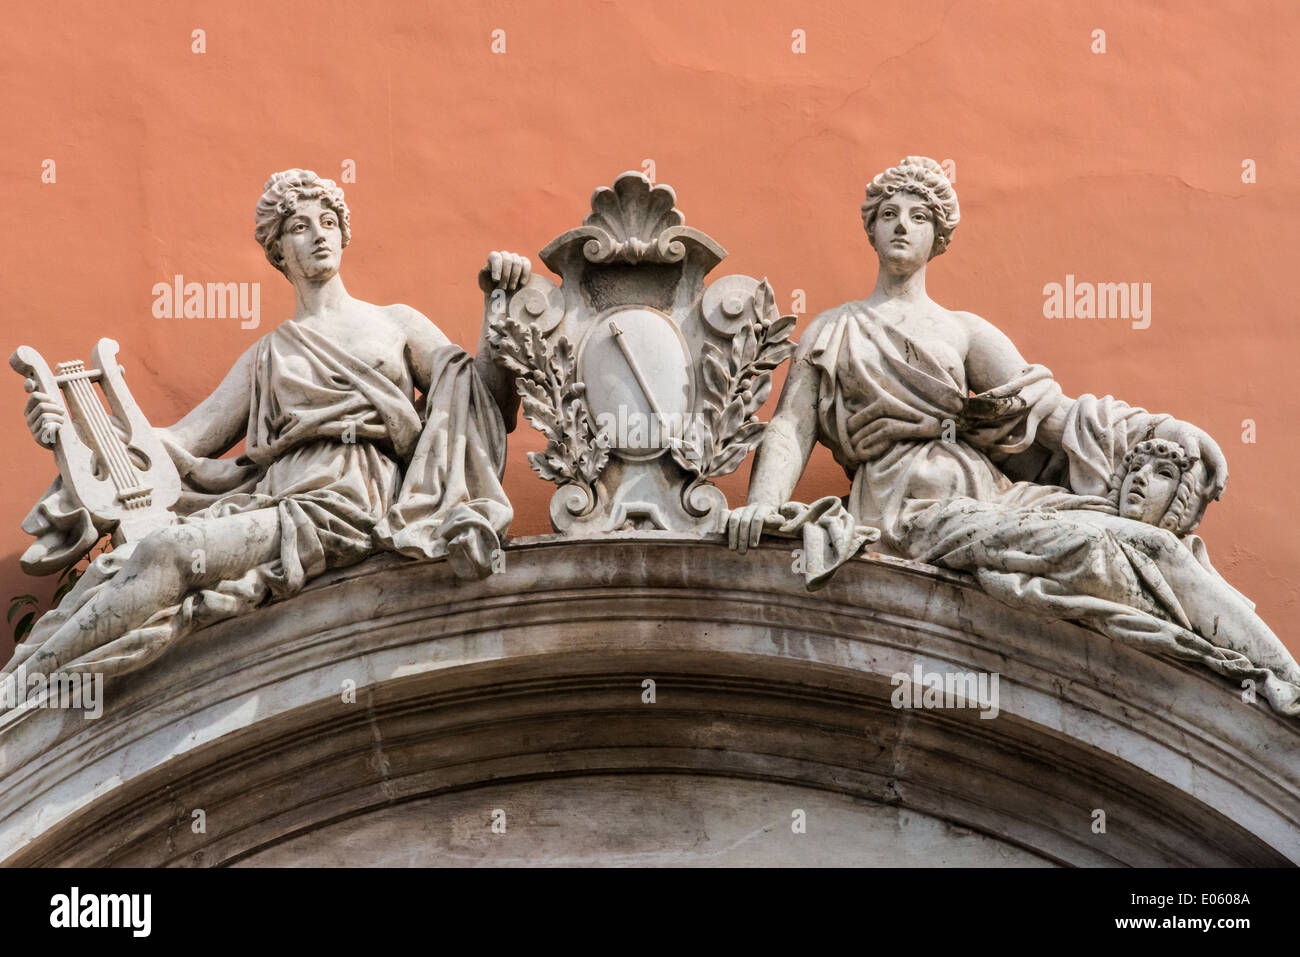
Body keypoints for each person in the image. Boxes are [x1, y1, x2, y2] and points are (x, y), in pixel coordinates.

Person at [727, 156, 1300, 713]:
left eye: (918, 216)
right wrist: (761, 506)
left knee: (1157, 545)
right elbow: (791, 425)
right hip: (911, 510)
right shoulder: (834, 327)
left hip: (994, 496)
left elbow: (1053, 413)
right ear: (872, 230)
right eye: (889, 214)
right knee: (1094, 547)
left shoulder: (963, 332)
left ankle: (1282, 679)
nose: (902, 226)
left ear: (938, 237)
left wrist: (1166, 430)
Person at [5, 169, 530, 682]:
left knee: (168, 552)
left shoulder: (395, 322)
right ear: (278, 250)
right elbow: (179, 443)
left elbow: (482, 404)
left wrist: (497, 306)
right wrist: (71, 432)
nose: (318, 234)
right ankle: (25, 681)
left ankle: (25, 687)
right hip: (279, 497)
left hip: (352, 500)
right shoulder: (268, 353)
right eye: (299, 226)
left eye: (328, 221)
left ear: (344, 233)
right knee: (116, 566)